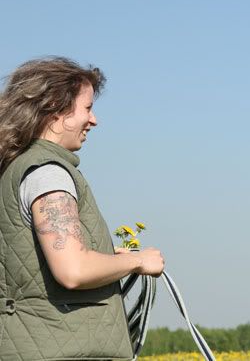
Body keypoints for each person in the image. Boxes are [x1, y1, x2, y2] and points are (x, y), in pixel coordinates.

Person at [0, 57, 165, 360]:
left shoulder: (17, 168)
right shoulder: (48, 172)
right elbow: (73, 270)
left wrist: (107, 257)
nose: (94, 120)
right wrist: (139, 261)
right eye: (87, 108)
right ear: (54, 110)